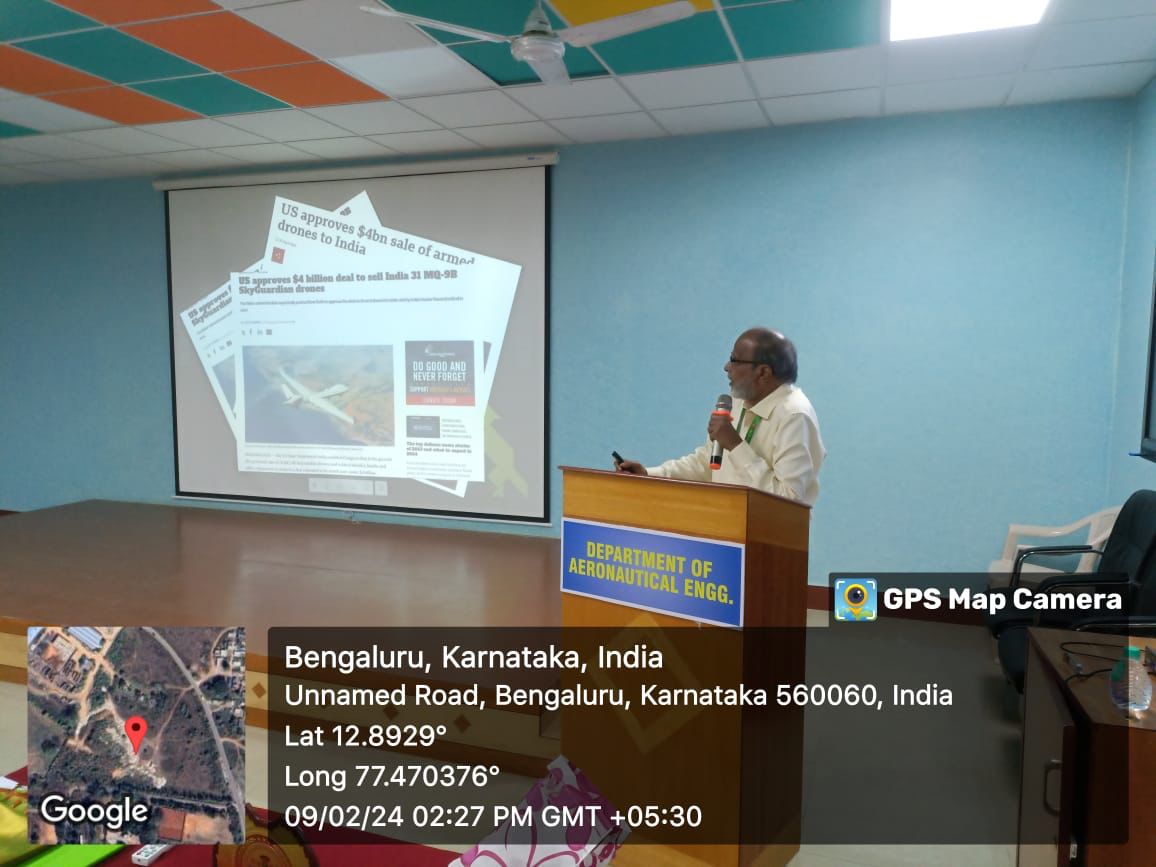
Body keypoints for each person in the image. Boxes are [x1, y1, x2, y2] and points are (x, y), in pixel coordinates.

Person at [615, 327, 826, 505]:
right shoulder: (737, 402)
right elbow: (707, 464)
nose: (726, 367)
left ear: (763, 372)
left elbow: (789, 501)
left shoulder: (794, 416)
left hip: (770, 538)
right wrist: (648, 475)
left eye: (734, 360)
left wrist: (735, 445)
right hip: (725, 528)